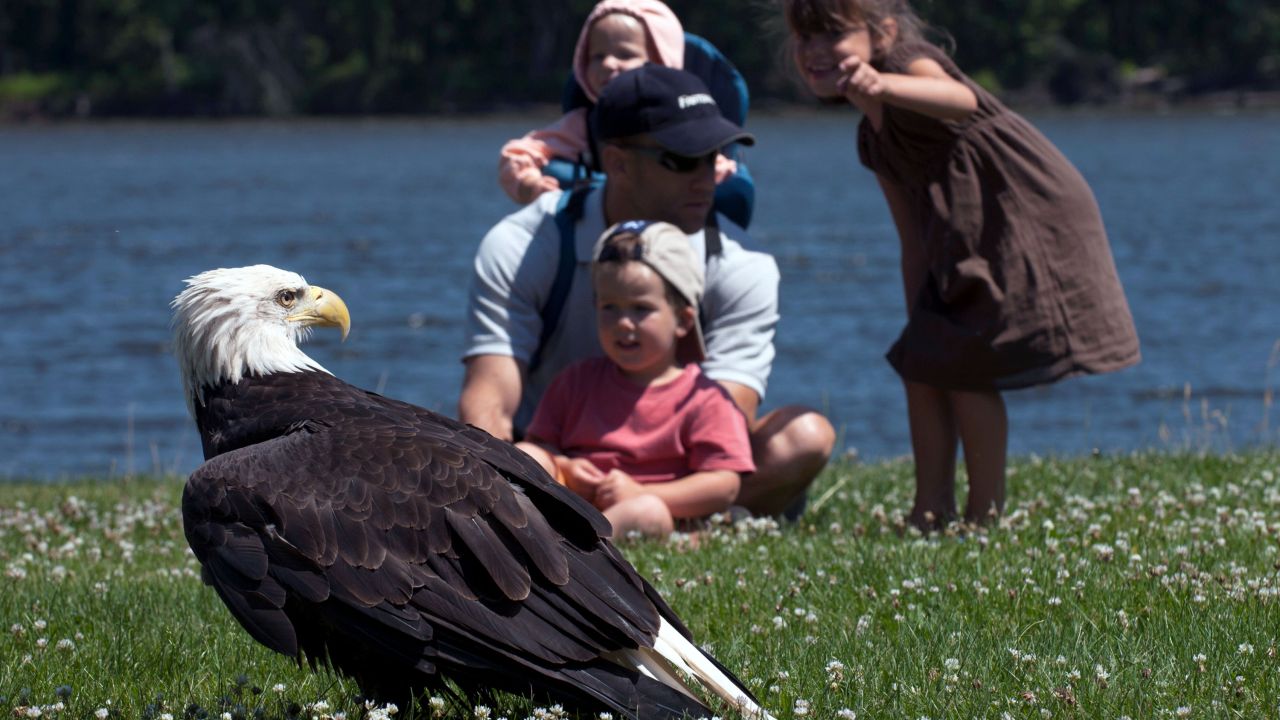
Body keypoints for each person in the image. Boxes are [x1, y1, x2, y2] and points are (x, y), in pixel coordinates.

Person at [783, 0, 1140, 529]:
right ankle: (930, 509)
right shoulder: (873, 139)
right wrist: (918, 317)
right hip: (962, 233)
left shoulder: (907, 63)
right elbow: (911, 238)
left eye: (831, 34)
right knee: (924, 361)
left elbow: (959, 99)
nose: (815, 50)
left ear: (882, 33)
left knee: (967, 364)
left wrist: (884, 84)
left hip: (1021, 211)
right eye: (804, 37)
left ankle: (983, 515)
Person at [463, 64, 836, 518]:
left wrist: (639, 491)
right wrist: (520, 480)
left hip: (680, 470)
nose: (706, 177)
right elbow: (489, 402)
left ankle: (663, 518)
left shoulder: (744, 265)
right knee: (509, 459)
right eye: (682, 159)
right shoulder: (524, 244)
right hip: (560, 467)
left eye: (714, 156)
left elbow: (727, 417)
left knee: (805, 437)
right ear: (618, 163)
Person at [517, 220, 755, 537]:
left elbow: (724, 485)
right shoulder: (575, 381)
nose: (624, 323)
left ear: (683, 320)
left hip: (647, 513)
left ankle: (582, 549)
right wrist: (566, 467)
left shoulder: (704, 399)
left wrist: (641, 492)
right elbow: (541, 445)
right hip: (574, 506)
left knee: (646, 511)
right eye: (610, 307)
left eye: (641, 309)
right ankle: (529, 537)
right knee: (525, 455)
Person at [496, 0, 740, 206]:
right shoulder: (583, 125)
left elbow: (717, 165)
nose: (608, 64)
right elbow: (518, 153)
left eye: (625, 54)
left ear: (660, 60)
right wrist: (529, 184)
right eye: (597, 56)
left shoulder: (685, 125)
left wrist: (711, 172)